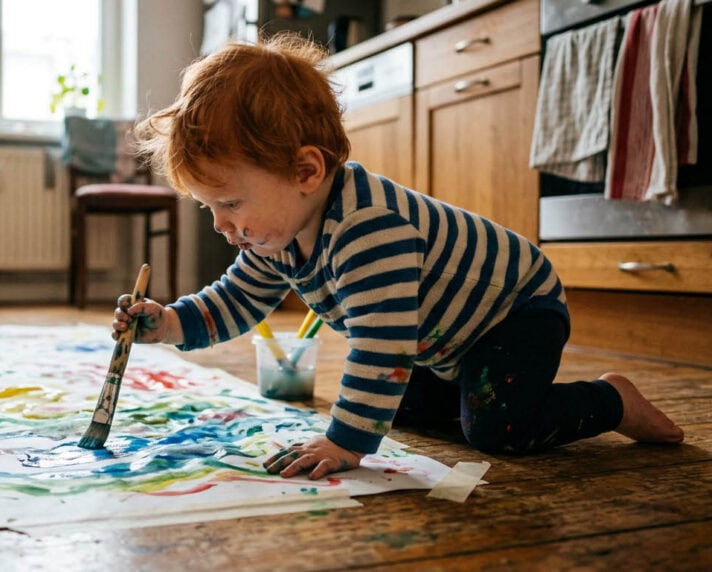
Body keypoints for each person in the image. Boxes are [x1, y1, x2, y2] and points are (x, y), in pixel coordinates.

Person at [112, 33, 684, 481]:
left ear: (306, 171)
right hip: (444, 339)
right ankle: (469, 392)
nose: (221, 225)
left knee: (497, 427)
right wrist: (166, 324)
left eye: (230, 202)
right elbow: (234, 302)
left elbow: (381, 343)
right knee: (390, 404)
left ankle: (611, 400)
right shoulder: (274, 234)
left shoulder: (368, 228)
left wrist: (345, 443)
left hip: (516, 312)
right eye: (211, 206)